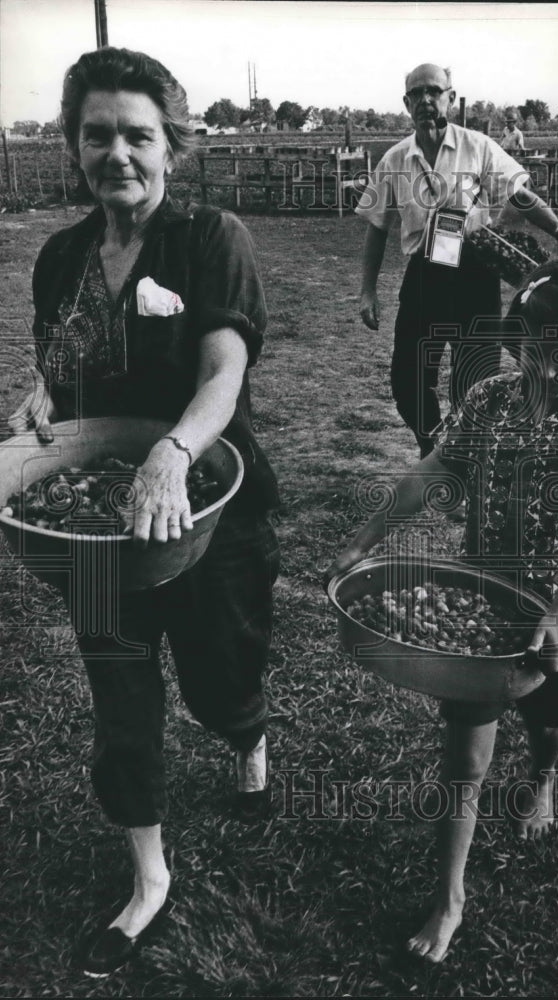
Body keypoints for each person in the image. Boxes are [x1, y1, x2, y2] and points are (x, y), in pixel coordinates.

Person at [7, 47, 280, 977]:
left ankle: (247, 739)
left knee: (218, 684)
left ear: (172, 147)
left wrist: (170, 455)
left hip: (208, 507)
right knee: (121, 701)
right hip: (98, 530)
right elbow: (60, 363)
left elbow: (223, 371)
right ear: (74, 147)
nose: (116, 152)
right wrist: (38, 401)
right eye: (97, 134)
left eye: (137, 134)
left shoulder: (211, 240)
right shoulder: (63, 256)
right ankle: (148, 878)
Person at [327, 255, 558, 963]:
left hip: (554, 606)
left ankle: (545, 777)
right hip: (483, 596)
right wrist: (363, 537)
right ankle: (450, 894)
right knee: (464, 754)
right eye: (533, 350)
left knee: (550, 722)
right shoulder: (491, 396)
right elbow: (432, 472)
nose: (546, 370)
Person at [356, 63, 558, 456]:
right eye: (417, 93)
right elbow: (377, 227)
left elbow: (520, 197)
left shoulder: (478, 147)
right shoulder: (393, 160)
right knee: (408, 378)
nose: (426, 100)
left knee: (475, 375)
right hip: (424, 275)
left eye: (434, 91)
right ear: (406, 103)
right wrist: (367, 291)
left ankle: (463, 453)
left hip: (475, 272)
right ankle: (430, 445)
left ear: (451, 97)